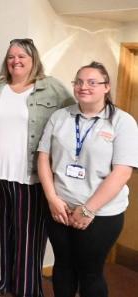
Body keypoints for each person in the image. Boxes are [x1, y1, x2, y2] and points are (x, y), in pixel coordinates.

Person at [0, 38, 73, 297]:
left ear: (33, 60)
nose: (15, 61)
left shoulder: (52, 89)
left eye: (22, 56)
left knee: (28, 237)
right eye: (11, 56)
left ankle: (26, 287)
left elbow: (72, 119)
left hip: (30, 176)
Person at [37, 62, 138, 297]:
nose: (84, 87)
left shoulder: (122, 122)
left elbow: (122, 172)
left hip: (100, 215)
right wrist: (52, 198)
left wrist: (88, 209)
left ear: (106, 87)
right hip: (59, 210)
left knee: (90, 273)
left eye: (92, 82)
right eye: (79, 81)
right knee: (62, 268)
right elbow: (43, 157)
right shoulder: (60, 116)